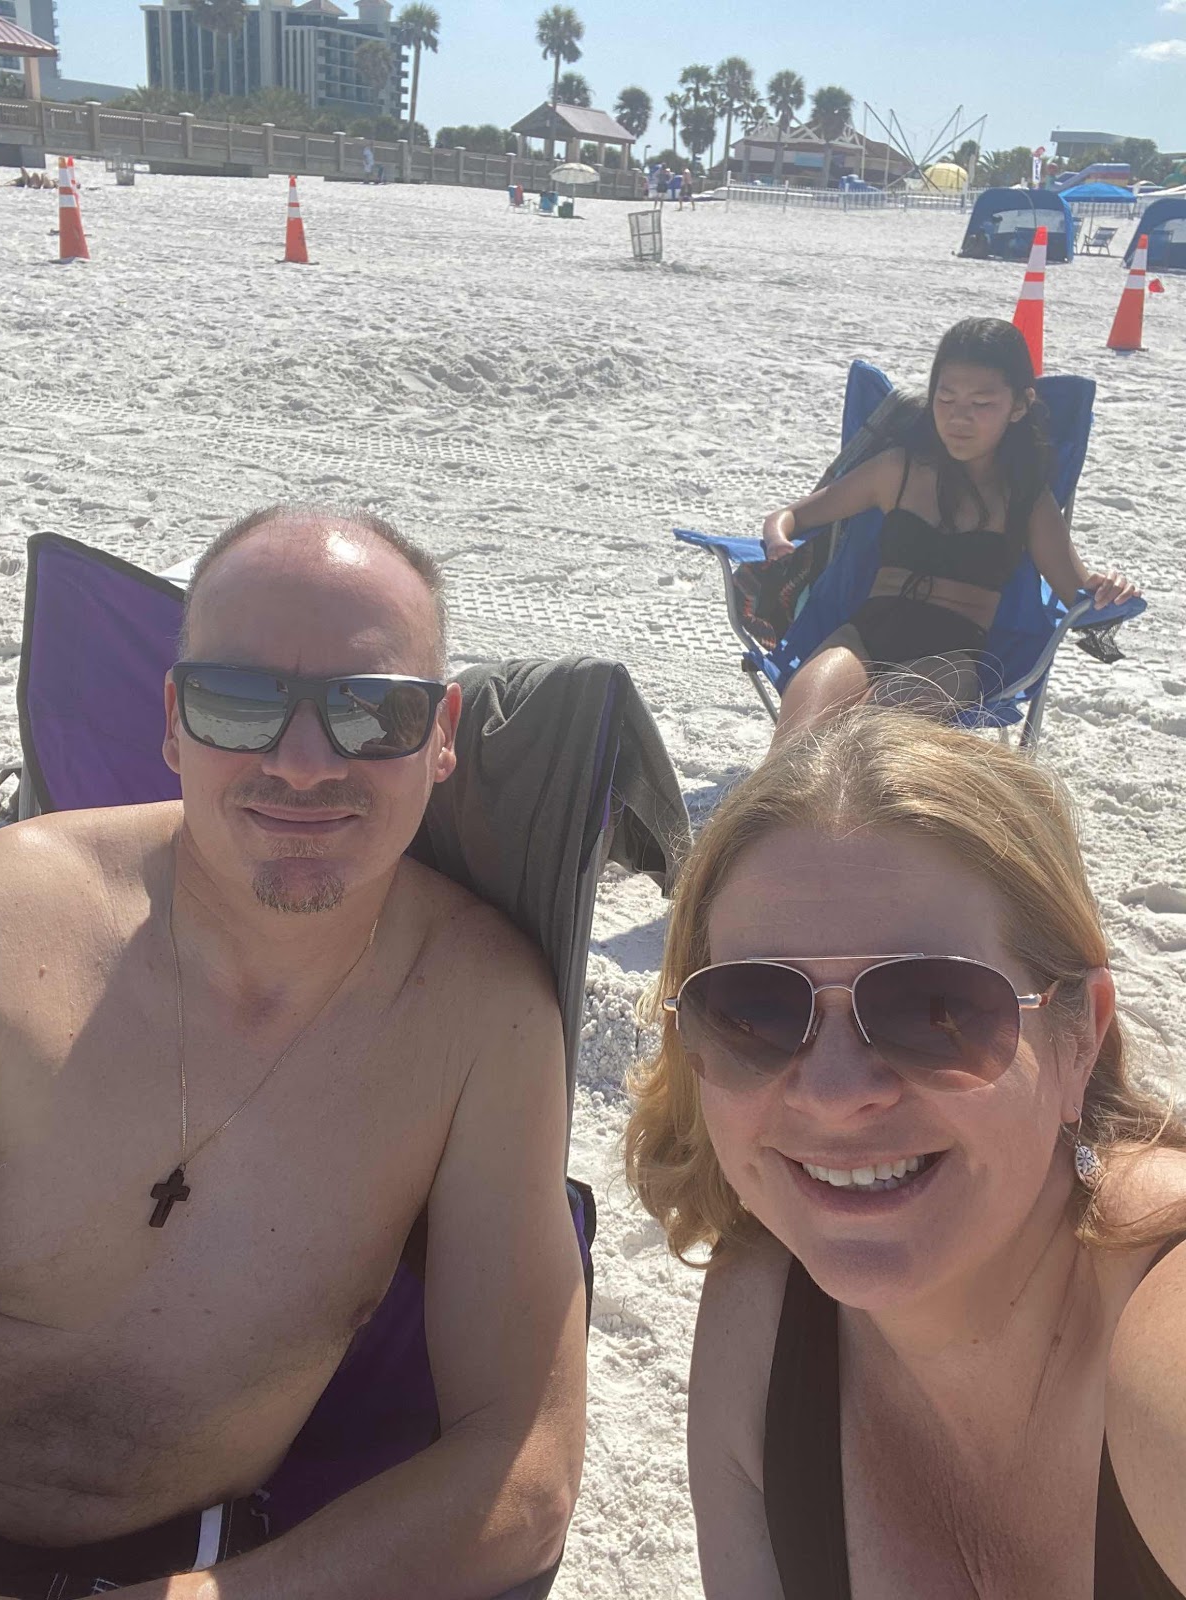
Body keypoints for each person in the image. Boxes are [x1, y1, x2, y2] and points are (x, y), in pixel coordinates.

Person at [0, 505, 586, 1599]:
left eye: (371, 711)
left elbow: (524, 1463)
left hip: (204, 1564)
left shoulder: (481, 1018)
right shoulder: (11, 923)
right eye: (239, 701)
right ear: (175, 723)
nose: (303, 764)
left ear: (441, 734)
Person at [626, 706, 1186, 1599]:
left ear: (1080, 1038)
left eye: (936, 1010)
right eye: (755, 1013)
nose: (834, 1092)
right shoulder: (758, 1324)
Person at [759, 318, 1139, 741]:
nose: (959, 418)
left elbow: (1078, 593)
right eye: (945, 398)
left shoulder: (1026, 500)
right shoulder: (898, 469)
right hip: (859, 638)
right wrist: (777, 538)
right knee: (797, 737)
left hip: (949, 659)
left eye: (982, 403)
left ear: (1019, 406)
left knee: (867, 737)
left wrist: (1111, 587)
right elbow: (791, 516)